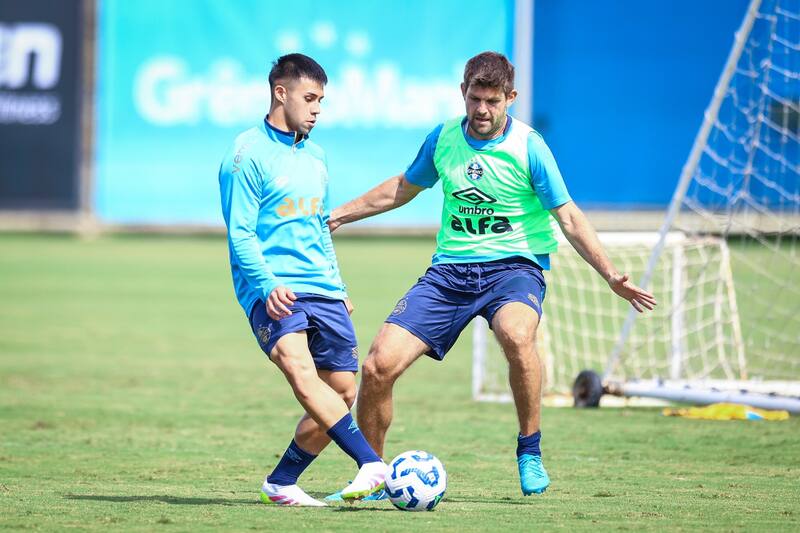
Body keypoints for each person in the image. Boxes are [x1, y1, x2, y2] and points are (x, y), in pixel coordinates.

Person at [328, 51, 656, 497]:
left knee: (518, 336)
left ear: (511, 98)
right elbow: (404, 187)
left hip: (515, 268)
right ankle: (371, 471)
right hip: (450, 273)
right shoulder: (443, 138)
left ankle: (530, 449)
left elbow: (570, 217)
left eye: (493, 101)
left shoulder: (529, 146)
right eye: (475, 98)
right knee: (377, 365)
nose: (482, 110)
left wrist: (611, 275)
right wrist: (343, 214)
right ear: (463, 93)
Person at [218, 53, 386, 507]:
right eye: (309, 98)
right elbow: (241, 233)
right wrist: (267, 284)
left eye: (321, 101)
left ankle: (282, 481)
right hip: (273, 290)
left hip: (323, 288)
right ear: (280, 93)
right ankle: (370, 463)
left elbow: (318, 228)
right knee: (299, 369)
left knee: (342, 392)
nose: (317, 109)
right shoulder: (246, 154)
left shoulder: (317, 156)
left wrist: (339, 285)